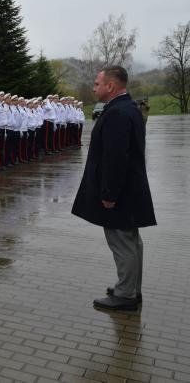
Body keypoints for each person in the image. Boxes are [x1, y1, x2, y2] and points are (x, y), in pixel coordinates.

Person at [72, 66, 156, 311]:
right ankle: (130, 288)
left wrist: (109, 194)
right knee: (131, 241)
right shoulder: (125, 108)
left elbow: (115, 158)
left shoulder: (118, 113)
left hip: (120, 193)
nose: (94, 88)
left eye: (97, 84)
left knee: (122, 243)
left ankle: (126, 295)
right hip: (129, 190)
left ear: (110, 86)